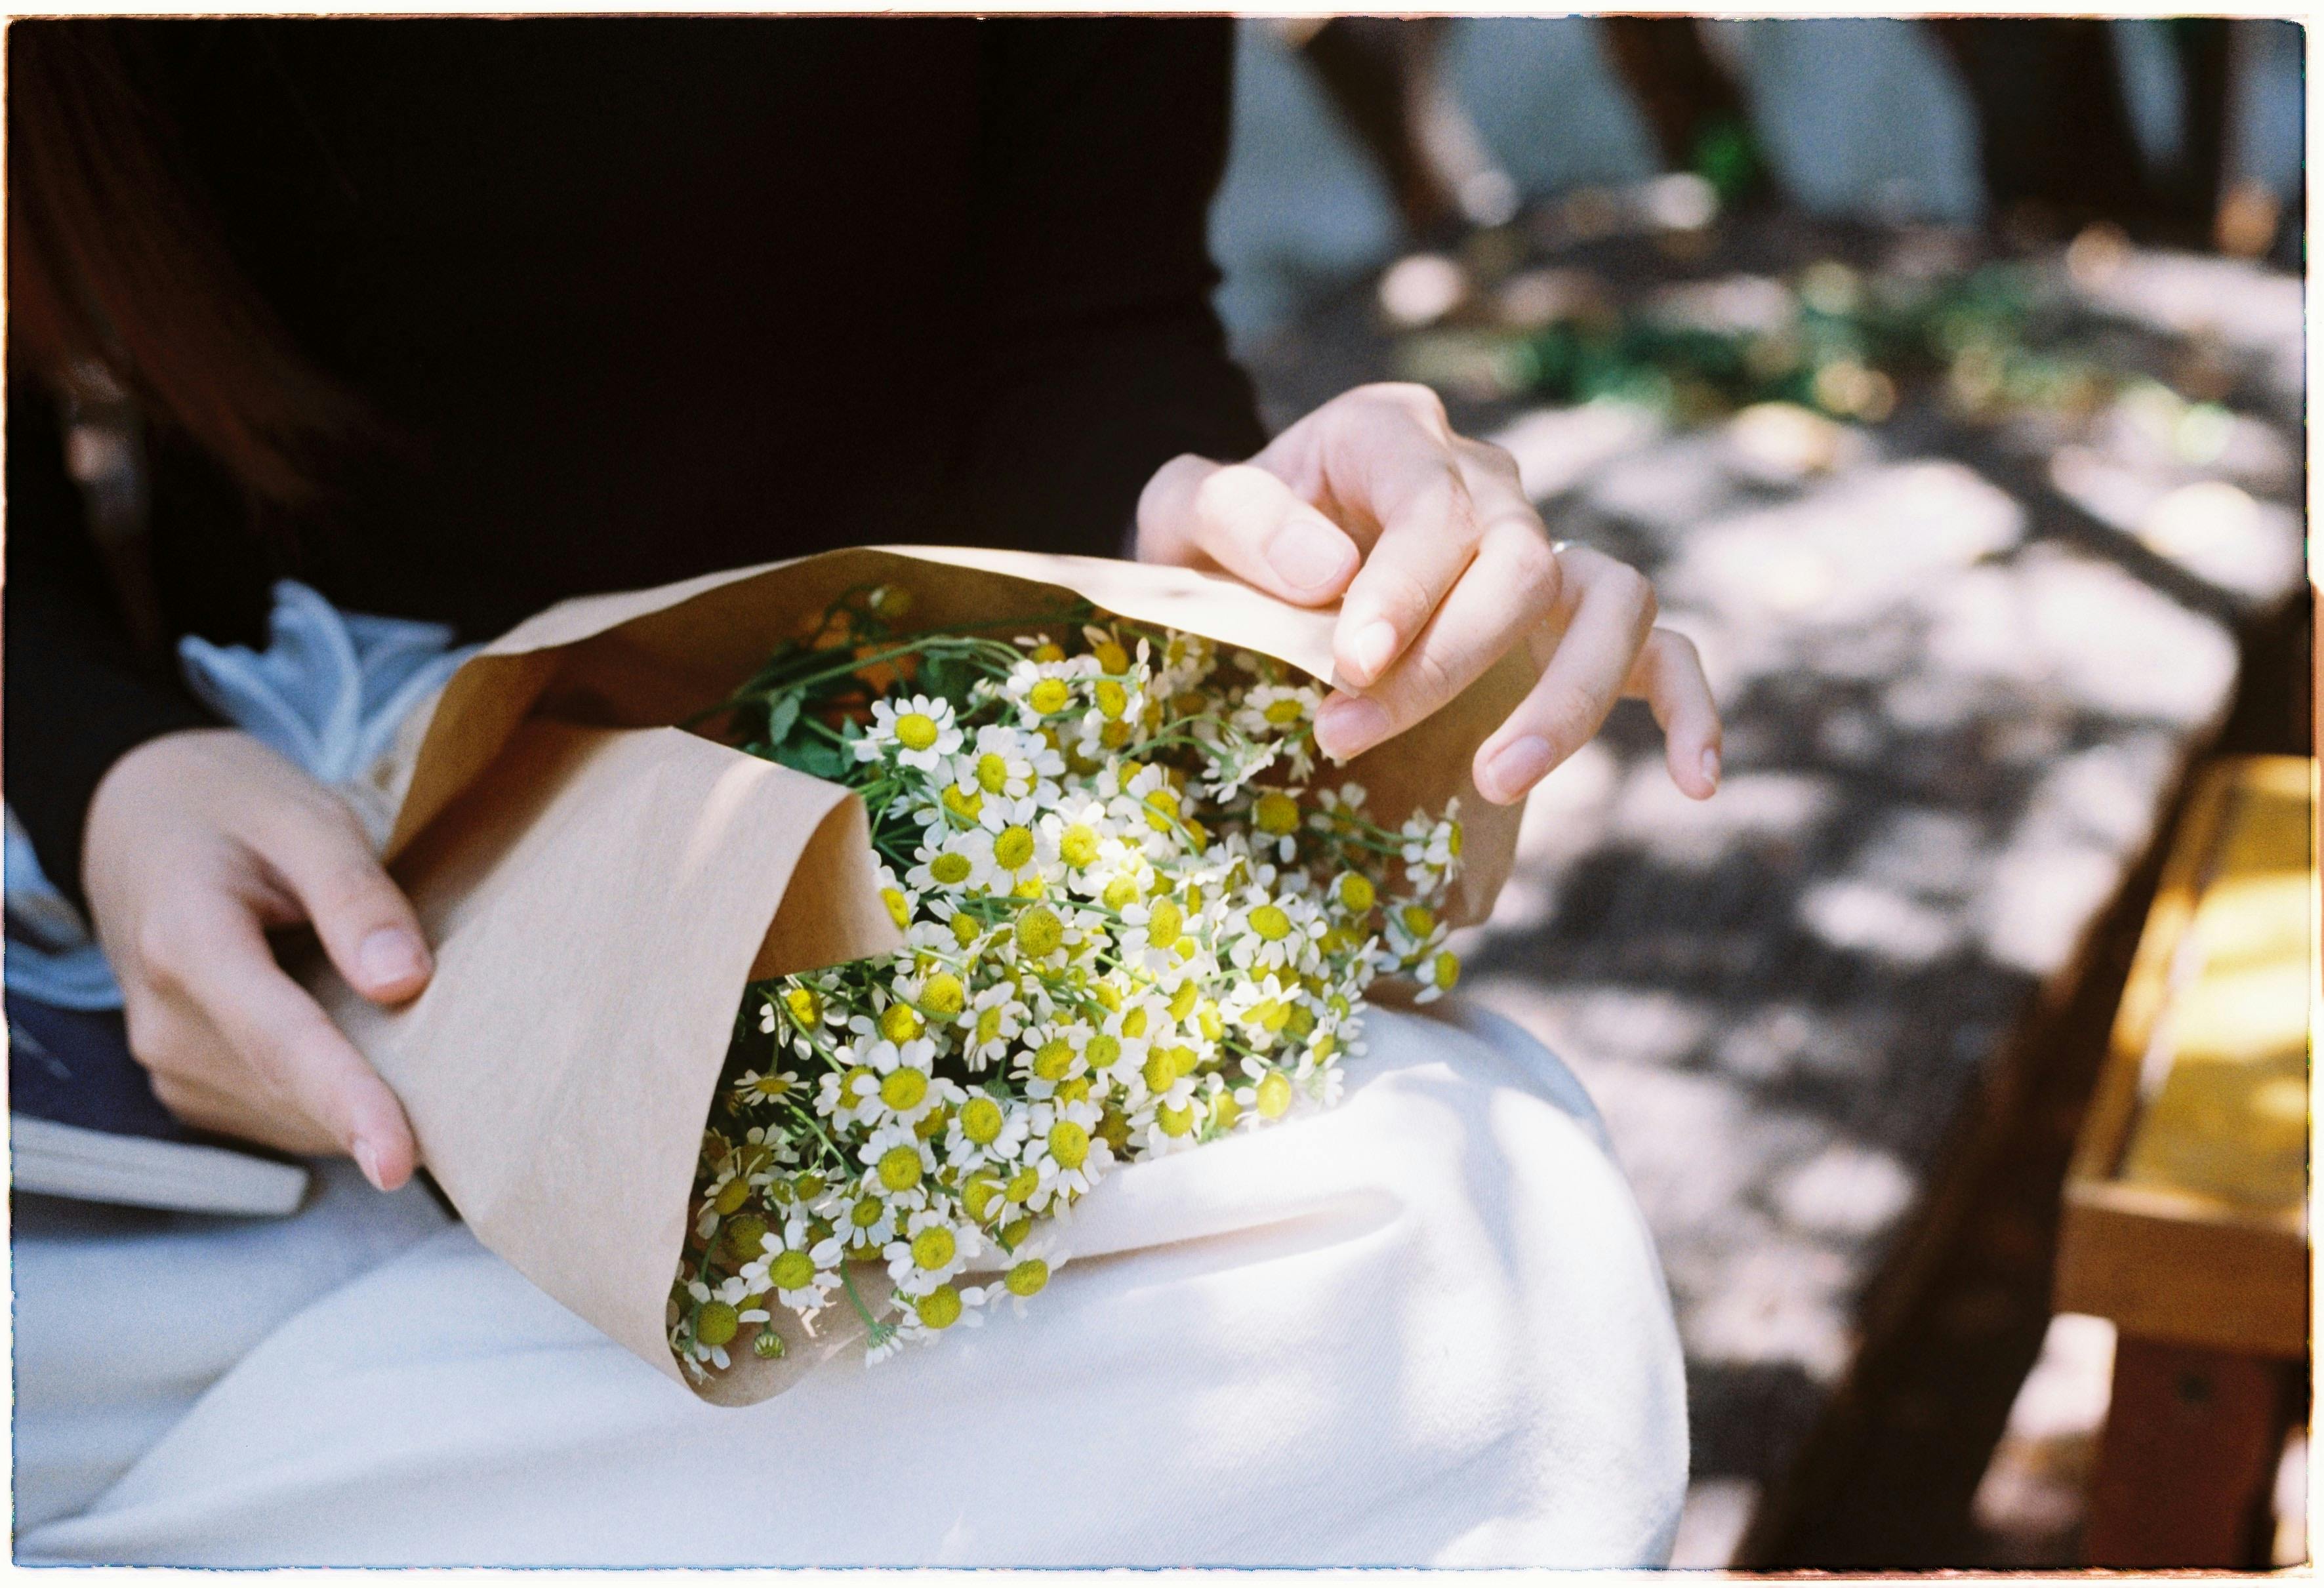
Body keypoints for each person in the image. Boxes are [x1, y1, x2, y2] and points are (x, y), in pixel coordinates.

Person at [9, 17, 1716, 1565]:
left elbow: (1091, 323)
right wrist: (105, 765)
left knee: (1505, 1286)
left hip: (861, 866)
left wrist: (1262, 558)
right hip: (238, 886)